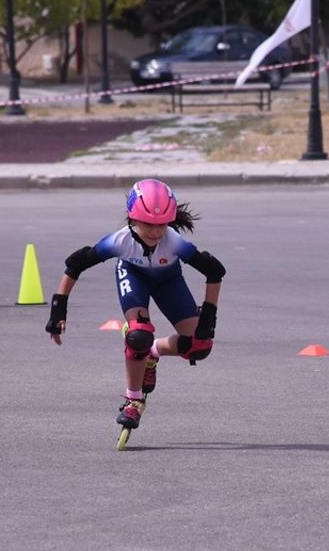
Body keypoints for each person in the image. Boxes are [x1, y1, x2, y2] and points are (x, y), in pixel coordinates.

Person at [45, 179, 226, 430]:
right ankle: (133, 400)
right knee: (137, 335)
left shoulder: (174, 242)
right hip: (133, 276)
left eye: (161, 225)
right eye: (147, 224)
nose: (154, 232)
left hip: (169, 281)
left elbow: (215, 271)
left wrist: (209, 316)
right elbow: (76, 264)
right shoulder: (119, 242)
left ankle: (153, 351)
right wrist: (58, 310)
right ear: (132, 218)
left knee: (199, 346)